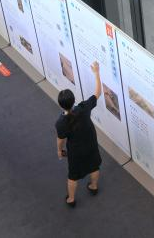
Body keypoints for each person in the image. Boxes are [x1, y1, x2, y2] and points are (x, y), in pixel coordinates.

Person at [57, 62, 104, 207]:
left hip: (75, 151)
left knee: (73, 176)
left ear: (61, 105)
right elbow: (97, 93)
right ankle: (94, 186)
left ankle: (71, 199)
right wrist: (96, 73)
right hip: (90, 144)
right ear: (73, 101)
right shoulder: (83, 108)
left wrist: (59, 150)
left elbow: (60, 139)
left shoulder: (61, 122)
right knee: (94, 166)